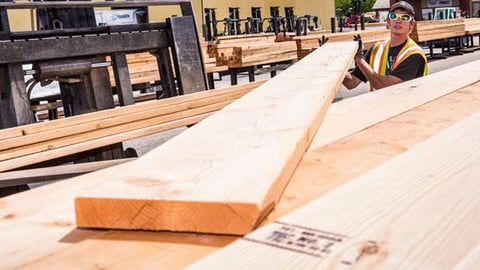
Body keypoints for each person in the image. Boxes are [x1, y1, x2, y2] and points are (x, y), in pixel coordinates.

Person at [343, 1, 428, 91]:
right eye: (394, 16)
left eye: (405, 18)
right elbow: (350, 83)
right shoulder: (376, 49)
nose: (398, 21)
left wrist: (359, 59)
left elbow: (386, 87)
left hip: (407, 104)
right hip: (378, 104)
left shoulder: (414, 54)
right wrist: (332, 63)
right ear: (388, 21)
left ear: (412, 24)